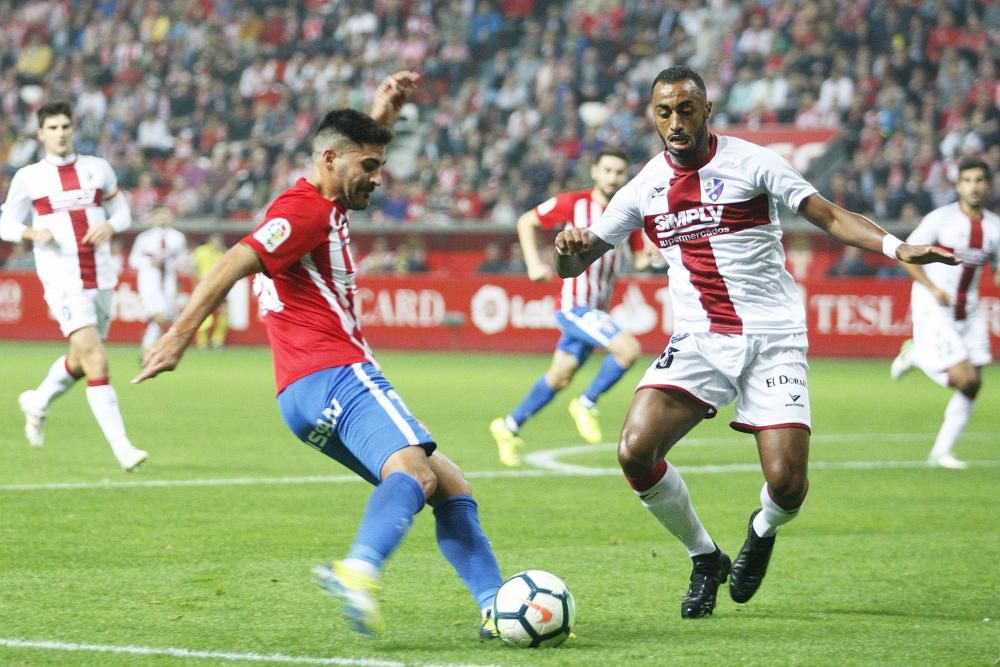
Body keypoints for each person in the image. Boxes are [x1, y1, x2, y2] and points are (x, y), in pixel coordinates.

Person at [552, 66, 956, 620]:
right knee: (634, 450)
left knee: (788, 485)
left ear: (707, 110)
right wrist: (566, 246)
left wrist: (895, 246)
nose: (675, 121)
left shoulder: (752, 162)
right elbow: (576, 260)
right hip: (698, 340)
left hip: (773, 339)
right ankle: (704, 557)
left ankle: (762, 529)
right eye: (664, 112)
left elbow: (828, 215)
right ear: (653, 116)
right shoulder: (644, 187)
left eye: (686, 109)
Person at [133, 72, 504, 640]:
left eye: (380, 166)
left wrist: (384, 110)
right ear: (331, 160)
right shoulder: (306, 212)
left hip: (300, 396)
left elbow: (350, 145)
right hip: (336, 371)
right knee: (414, 472)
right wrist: (181, 335)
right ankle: (359, 569)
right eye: (370, 168)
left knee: (448, 483)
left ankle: (496, 606)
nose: (378, 179)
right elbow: (234, 259)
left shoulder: (322, 197)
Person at [0, 101, 147, 471]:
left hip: (101, 275)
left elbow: (123, 211)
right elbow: (5, 223)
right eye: (52, 127)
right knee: (96, 358)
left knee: (80, 360)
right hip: (63, 280)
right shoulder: (30, 177)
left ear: (73, 128)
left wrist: (112, 227)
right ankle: (123, 448)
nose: (60, 132)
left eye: (65, 125)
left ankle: (37, 401)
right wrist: (32, 231)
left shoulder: (98, 169)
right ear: (41, 133)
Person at [489, 148, 649, 466]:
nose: (613, 177)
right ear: (595, 172)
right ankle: (587, 403)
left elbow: (640, 259)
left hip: (597, 310)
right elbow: (527, 221)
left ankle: (509, 425)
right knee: (628, 350)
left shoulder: (627, 214)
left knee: (559, 376)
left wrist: (653, 258)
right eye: (608, 170)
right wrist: (534, 263)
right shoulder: (574, 204)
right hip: (576, 306)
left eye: (619, 172)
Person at [889, 156, 999, 469]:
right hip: (934, 304)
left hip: (970, 308)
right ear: (958, 185)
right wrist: (933, 288)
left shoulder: (994, 227)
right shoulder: (941, 219)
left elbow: (997, 272)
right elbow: (907, 255)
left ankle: (941, 451)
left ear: (988, 185)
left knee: (974, 383)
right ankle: (917, 355)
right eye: (968, 180)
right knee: (962, 377)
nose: (974, 186)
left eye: (980, 180)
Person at [129, 206, 188, 354]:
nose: (162, 217)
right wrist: (149, 262)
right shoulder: (144, 238)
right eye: (159, 215)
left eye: (165, 214)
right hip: (149, 280)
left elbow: (183, 260)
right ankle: (163, 348)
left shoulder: (178, 237)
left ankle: (147, 349)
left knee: (164, 316)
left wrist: (172, 263)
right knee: (159, 314)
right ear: (153, 217)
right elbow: (133, 260)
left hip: (168, 280)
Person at [191, 232, 229, 350]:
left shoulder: (222, 254)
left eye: (219, 241)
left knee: (224, 313)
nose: (217, 243)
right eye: (215, 241)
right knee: (204, 314)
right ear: (209, 241)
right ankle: (202, 342)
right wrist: (196, 284)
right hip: (204, 286)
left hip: (220, 286)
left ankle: (217, 341)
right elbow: (194, 268)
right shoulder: (200, 252)